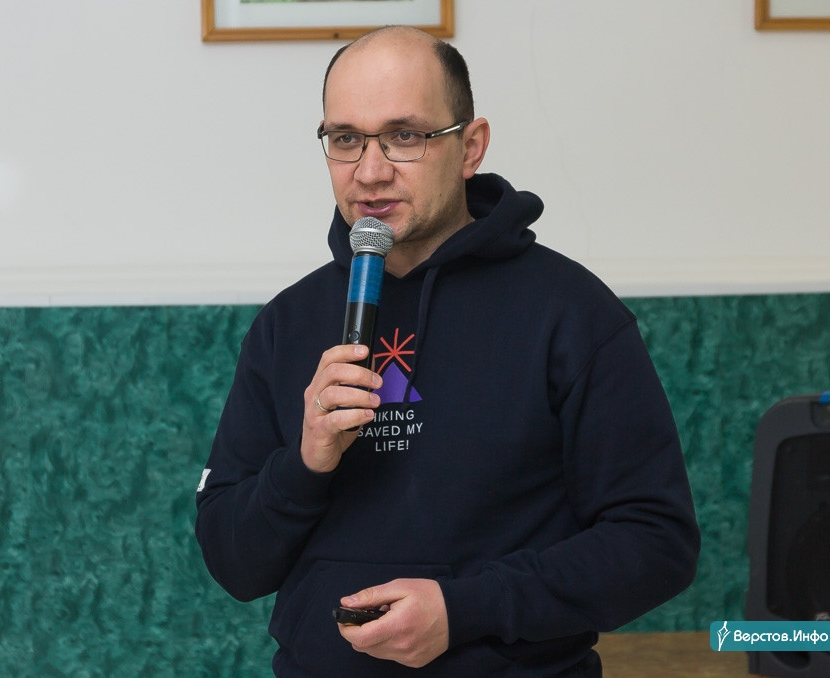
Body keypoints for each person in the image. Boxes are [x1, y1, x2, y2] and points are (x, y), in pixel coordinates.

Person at [195, 25, 700, 677]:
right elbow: (233, 563)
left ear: (471, 146)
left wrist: (467, 609)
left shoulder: (570, 311)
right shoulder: (286, 323)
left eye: (405, 136)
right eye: (345, 139)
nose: (370, 171)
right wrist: (305, 462)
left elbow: (656, 544)